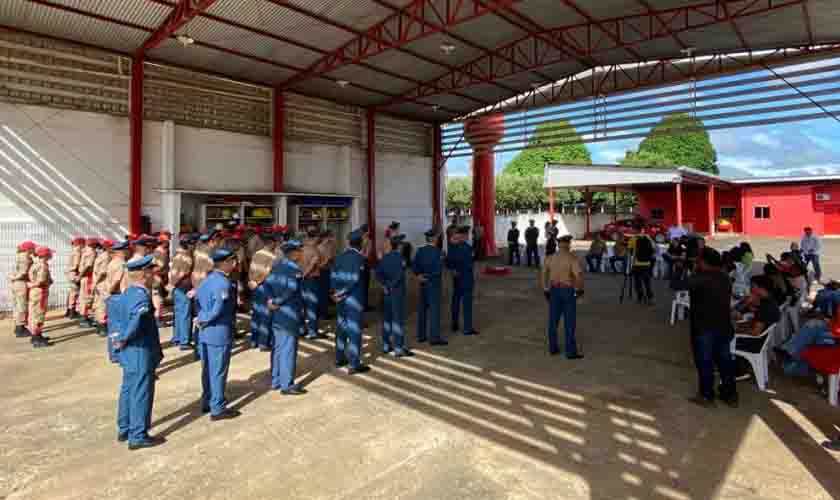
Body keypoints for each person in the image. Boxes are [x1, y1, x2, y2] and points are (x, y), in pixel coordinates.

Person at [111, 254, 165, 450]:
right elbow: (137, 321)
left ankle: (125, 427)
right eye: (150, 271)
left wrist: (119, 341)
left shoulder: (126, 294)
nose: (153, 274)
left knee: (128, 389)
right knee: (141, 391)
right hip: (140, 348)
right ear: (144, 274)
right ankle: (138, 435)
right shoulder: (141, 296)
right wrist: (125, 337)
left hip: (129, 351)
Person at [674, 247, 738, 408]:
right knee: (725, 360)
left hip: (704, 328)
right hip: (723, 325)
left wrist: (680, 267)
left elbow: (675, 284)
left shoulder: (700, 277)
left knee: (705, 361)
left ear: (703, 262)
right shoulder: (724, 277)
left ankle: (706, 395)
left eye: (698, 259)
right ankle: (730, 395)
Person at [195, 248, 241, 421]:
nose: (234, 264)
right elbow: (218, 310)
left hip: (206, 333)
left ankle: (207, 401)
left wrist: (200, 318)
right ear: (224, 263)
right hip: (219, 331)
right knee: (218, 371)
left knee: (207, 370)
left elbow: (197, 301)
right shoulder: (223, 283)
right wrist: (204, 319)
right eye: (232, 261)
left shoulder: (207, 280)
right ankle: (218, 407)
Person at [264, 239, 307, 395]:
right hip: (288, 313)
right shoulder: (294, 269)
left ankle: (276, 380)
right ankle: (286, 384)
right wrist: (277, 301)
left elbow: (266, 284)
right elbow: (292, 289)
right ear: (294, 253)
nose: (301, 254)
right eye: (300, 251)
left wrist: (270, 300)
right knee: (288, 348)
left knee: (278, 347)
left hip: (276, 312)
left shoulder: (276, 266)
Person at [331, 228, 371, 374]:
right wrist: (342, 293)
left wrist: (335, 292)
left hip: (340, 298)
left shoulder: (339, 257)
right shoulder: (360, 259)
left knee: (341, 327)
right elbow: (354, 279)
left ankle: (339, 358)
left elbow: (333, 275)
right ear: (360, 244)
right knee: (354, 331)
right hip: (353, 299)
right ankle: (354, 364)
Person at [540, 235, 584, 358]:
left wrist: (545, 289)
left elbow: (543, 274)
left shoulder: (550, 258)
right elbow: (578, 276)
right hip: (567, 290)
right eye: (569, 243)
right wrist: (579, 290)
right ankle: (570, 352)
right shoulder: (571, 258)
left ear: (558, 245)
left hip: (554, 290)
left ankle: (553, 348)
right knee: (569, 322)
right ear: (567, 244)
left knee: (553, 321)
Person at [733, 276, 781, 380]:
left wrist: (736, 330)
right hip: (760, 341)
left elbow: (755, 332)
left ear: (761, 288)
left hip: (754, 343)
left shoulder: (766, 307)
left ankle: (739, 371)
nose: (750, 289)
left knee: (723, 337)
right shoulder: (768, 301)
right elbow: (757, 322)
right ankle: (735, 366)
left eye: (753, 286)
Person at [376, 233, 413, 357]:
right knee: (397, 320)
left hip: (386, 293)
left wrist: (385, 286)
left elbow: (378, 275)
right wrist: (391, 287)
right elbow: (399, 276)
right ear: (399, 246)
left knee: (387, 319)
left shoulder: (384, 258)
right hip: (396, 293)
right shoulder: (401, 259)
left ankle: (386, 346)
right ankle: (398, 348)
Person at [413, 229, 447, 346]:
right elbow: (437, 270)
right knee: (434, 311)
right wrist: (427, 276)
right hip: (433, 284)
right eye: (437, 237)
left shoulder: (420, 251)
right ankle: (434, 338)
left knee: (422, 310)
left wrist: (419, 276)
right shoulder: (438, 253)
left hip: (422, 284)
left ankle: (421, 336)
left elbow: (414, 266)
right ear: (434, 239)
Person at [446, 226, 479, 336]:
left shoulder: (452, 247)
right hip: (466, 278)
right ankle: (467, 328)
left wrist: (453, 270)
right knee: (467, 303)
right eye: (467, 234)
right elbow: (470, 263)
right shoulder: (467, 248)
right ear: (464, 235)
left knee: (455, 300)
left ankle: (454, 324)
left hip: (456, 278)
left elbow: (448, 262)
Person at [248, 232, 277, 351]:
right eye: (275, 242)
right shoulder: (272, 257)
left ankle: (253, 340)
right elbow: (267, 271)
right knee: (266, 315)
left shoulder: (256, 254)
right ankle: (263, 343)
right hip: (264, 285)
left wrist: (251, 281)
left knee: (256, 313)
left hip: (255, 286)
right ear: (271, 243)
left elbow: (251, 269)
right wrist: (258, 282)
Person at [169, 234, 196, 350]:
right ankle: (184, 341)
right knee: (185, 314)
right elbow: (182, 274)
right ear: (189, 245)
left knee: (178, 313)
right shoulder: (186, 258)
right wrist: (173, 284)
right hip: (183, 287)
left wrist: (172, 285)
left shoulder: (177, 255)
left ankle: (177, 338)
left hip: (177, 288)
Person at [105, 241, 130, 363]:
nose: (127, 252)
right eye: (125, 250)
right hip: (118, 296)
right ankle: (118, 354)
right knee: (119, 327)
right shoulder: (121, 264)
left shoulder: (112, 263)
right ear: (120, 251)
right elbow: (116, 281)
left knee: (113, 327)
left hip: (112, 297)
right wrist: (111, 291)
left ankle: (114, 353)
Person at [27, 246, 53, 348]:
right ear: (45, 255)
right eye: (49, 254)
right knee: (39, 314)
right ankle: (36, 338)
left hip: (35, 292)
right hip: (40, 291)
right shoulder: (42, 265)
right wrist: (48, 282)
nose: (51, 256)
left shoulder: (36, 264)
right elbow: (41, 280)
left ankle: (36, 335)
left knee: (34, 313)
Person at [301, 227, 323, 339]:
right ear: (315, 237)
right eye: (318, 237)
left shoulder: (301, 248)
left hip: (300, 280)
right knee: (312, 306)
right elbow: (313, 265)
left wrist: (301, 276)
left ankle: (301, 329)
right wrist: (305, 274)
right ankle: (312, 331)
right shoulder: (315, 250)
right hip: (311, 280)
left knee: (302, 305)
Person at [10, 241, 35, 338]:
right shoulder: (26, 257)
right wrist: (16, 277)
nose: (34, 250)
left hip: (16, 284)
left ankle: (17, 326)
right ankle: (21, 328)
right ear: (28, 249)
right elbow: (24, 272)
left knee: (17, 304)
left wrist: (13, 278)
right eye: (32, 248)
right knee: (22, 305)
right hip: (21, 283)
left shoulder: (19, 255)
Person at [92, 240, 114, 337]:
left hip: (99, 283)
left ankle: (98, 324)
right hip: (103, 283)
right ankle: (102, 326)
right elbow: (102, 272)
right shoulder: (106, 257)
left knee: (98, 303)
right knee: (103, 305)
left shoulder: (101, 256)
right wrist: (96, 283)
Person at [78, 237, 99, 328]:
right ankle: (84, 318)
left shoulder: (85, 251)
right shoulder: (92, 252)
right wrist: (80, 276)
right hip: (88, 276)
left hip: (84, 277)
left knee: (83, 297)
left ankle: (84, 316)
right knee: (87, 297)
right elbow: (88, 266)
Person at [150, 234, 170, 327]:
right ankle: (157, 319)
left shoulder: (161, 251)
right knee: (158, 299)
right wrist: (163, 272)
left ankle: (159, 317)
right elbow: (157, 267)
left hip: (160, 277)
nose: (168, 241)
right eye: (166, 240)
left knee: (159, 298)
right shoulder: (160, 252)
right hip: (157, 278)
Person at [317, 229, 336, 320]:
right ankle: (322, 313)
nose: (333, 238)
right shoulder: (319, 248)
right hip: (322, 273)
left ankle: (324, 311)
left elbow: (332, 258)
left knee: (326, 293)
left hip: (328, 271)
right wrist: (326, 260)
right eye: (331, 236)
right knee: (322, 294)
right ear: (326, 237)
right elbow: (318, 265)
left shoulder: (330, 246)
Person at [631, 235, 655, 305]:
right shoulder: (648, 239)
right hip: (647, 264)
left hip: (637, 264)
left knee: (638, 282)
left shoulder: (634, 239)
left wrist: (632, 264)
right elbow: (653, 251)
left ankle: (640, 298)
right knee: (647, 283)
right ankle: (650, 298)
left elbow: (632, 253)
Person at [65, 237, 84, 319]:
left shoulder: (73, 251)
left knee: (71, 292)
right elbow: (76, 264)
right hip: (74, 273)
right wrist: (79, 273)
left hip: (70, 273)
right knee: (74, 293)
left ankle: (69, 311)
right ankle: (72, 312)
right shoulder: (77, 252)